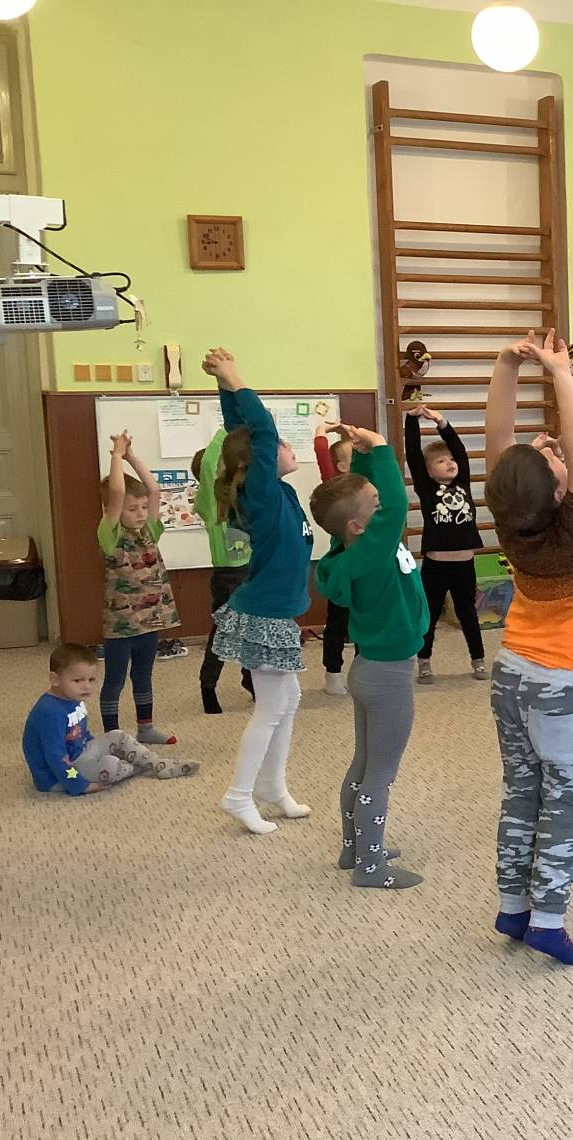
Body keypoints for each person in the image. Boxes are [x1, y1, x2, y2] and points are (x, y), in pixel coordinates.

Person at [483, 329, 573, 966]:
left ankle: (514, 906)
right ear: (561, 491)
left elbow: (499, 439)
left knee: (522, 793)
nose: (551, 447)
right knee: (569, 805)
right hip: (569, 690)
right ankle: (546, 920)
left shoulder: (509, 516)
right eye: (546, 458)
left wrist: (506, 367)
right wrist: (559, 370)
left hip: (512, 677)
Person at [312, 421, 431, 890]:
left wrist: (361, 457)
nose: (382, 504)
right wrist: (381, 448)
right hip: (388, 677)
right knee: (380, 775)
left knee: (363, 765)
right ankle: (370, 867)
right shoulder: (372, 550)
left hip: (370, 670)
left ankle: (354, 849)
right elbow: (397, 503)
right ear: (359, 526)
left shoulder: (354, 547)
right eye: (374, 505)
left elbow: (373, 500)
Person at [205, 347, 315, 835]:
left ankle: (273, 787)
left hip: (277, 612)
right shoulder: (264, 497)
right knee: (271, 709)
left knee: (288, 702)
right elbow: (261, 432)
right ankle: (239, 795)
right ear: (261, 463)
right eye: (280, 447)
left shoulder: (279, 492)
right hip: (264, 615)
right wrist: (237, 377)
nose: (286, 448)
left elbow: (242, 434)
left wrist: (223, 387)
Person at [24, 642, 199, 795]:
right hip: (58, 775)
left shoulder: (72, 698)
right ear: (55, 679)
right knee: (110, 766)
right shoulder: (49, 712)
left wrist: (99, 747)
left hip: (80, 753)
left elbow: (80, 733)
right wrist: (79, 785)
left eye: (91, 679)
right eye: (77, 681)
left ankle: (158, 763)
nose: (86, 686)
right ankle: (140, 767)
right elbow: (56, 758)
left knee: (117, 735)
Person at [97, 429, 180, 744]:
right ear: (113, 511)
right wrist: (117, 456)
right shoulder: (111, 535)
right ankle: (112, 736)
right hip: (122, 625)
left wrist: (131, 455)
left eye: (143, 508)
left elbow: (154, 489)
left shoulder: (150, 531)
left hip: (150, 619)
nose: (141, 514)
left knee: (143, 676)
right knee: (115, 680)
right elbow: (117, 492)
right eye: (133, 510)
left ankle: (145, 728)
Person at [404, 402, 487, 685]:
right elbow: (413, 454)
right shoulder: (426, 488)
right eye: (441, 461)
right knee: (429, 614)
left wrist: (442, 423)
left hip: (465, 564)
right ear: (428, 471)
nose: (450, 463)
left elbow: (460, 451)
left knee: (468, 613)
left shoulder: (462, 482)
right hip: (437, 566)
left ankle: (478, 659)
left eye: (451, 459)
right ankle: (424, 661)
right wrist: (412, 420)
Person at [193, 429, 254, 713]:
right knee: (223, 632)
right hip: (228, 576)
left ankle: (251, 679)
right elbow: (209, 466)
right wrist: (227, 429)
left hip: (251, 571)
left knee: (253, 630)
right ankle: (208, 686)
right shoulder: (209, 504)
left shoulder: (243, 497)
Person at [314, 424, 354, 695]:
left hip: (368, 562)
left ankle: (364, 668)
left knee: (367, 619)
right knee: (338, 621)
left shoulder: (369, 485)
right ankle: (333, 673)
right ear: (341, 466)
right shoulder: (335, 489)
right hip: (342, 562)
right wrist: (322, 430)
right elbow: (322, 455)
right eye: (353, 456)